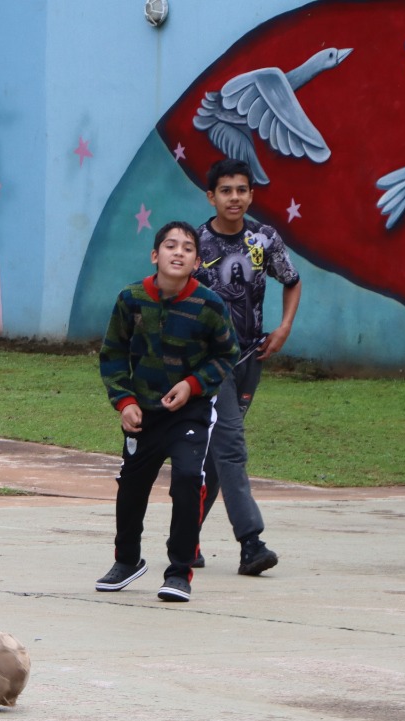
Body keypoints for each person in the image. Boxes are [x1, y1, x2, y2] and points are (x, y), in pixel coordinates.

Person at [96, 221, 237, 603]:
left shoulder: (210, 304)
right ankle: (127, 561)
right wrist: (125, 402)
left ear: (197, 262)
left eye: (188, 248)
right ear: (155, 255)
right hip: (144, 413)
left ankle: (178, 572)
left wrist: (192, 384)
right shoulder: (130, 299)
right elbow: (112, 354)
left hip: (189, 413)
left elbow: (227, 354)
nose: (179, 252)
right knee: (131, 486)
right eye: (171, 246)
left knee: (188, 479)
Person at [193, 158, 300, 576]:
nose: (234, 198)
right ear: (211, 197)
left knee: (216, 456)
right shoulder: (195, 243)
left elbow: (291, 280)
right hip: (210, 365)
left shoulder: (264, 239)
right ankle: (251, 544)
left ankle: (185, 535)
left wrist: (284, 328)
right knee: (232, 446)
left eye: (241, 190)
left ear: (251, 195)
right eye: (225, 191)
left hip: (250, 359)